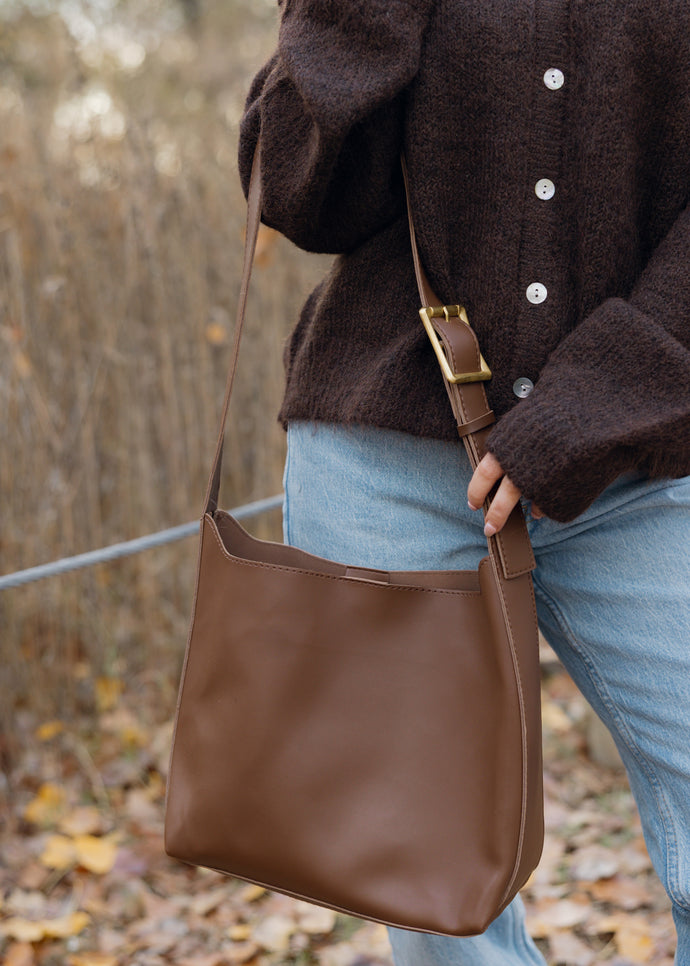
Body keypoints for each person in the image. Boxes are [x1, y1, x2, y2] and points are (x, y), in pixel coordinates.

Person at [238, 1, 690, 962]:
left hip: (646, 464)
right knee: (439, 903)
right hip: (387, 468)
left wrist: (586, 410)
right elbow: (294, 193)